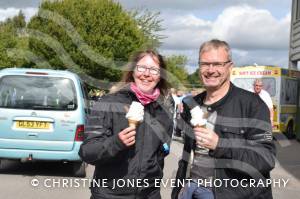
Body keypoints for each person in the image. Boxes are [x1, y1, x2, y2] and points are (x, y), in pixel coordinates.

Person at [172, 39, 276, 199]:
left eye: (218, 64)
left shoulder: (252, 105)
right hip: (191, 190)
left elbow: (265, 159)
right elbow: (187, 156)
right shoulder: (191, 105)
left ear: (230, 66)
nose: (210, 70)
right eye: (205, 64)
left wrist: (220, 145)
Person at [79, 49, 174, 199]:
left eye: (154, 70)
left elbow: (160, 156)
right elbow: (87, 151)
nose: (147, 74)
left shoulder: (164, 113)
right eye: (141, 67)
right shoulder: (108, 103)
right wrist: (116, 143)